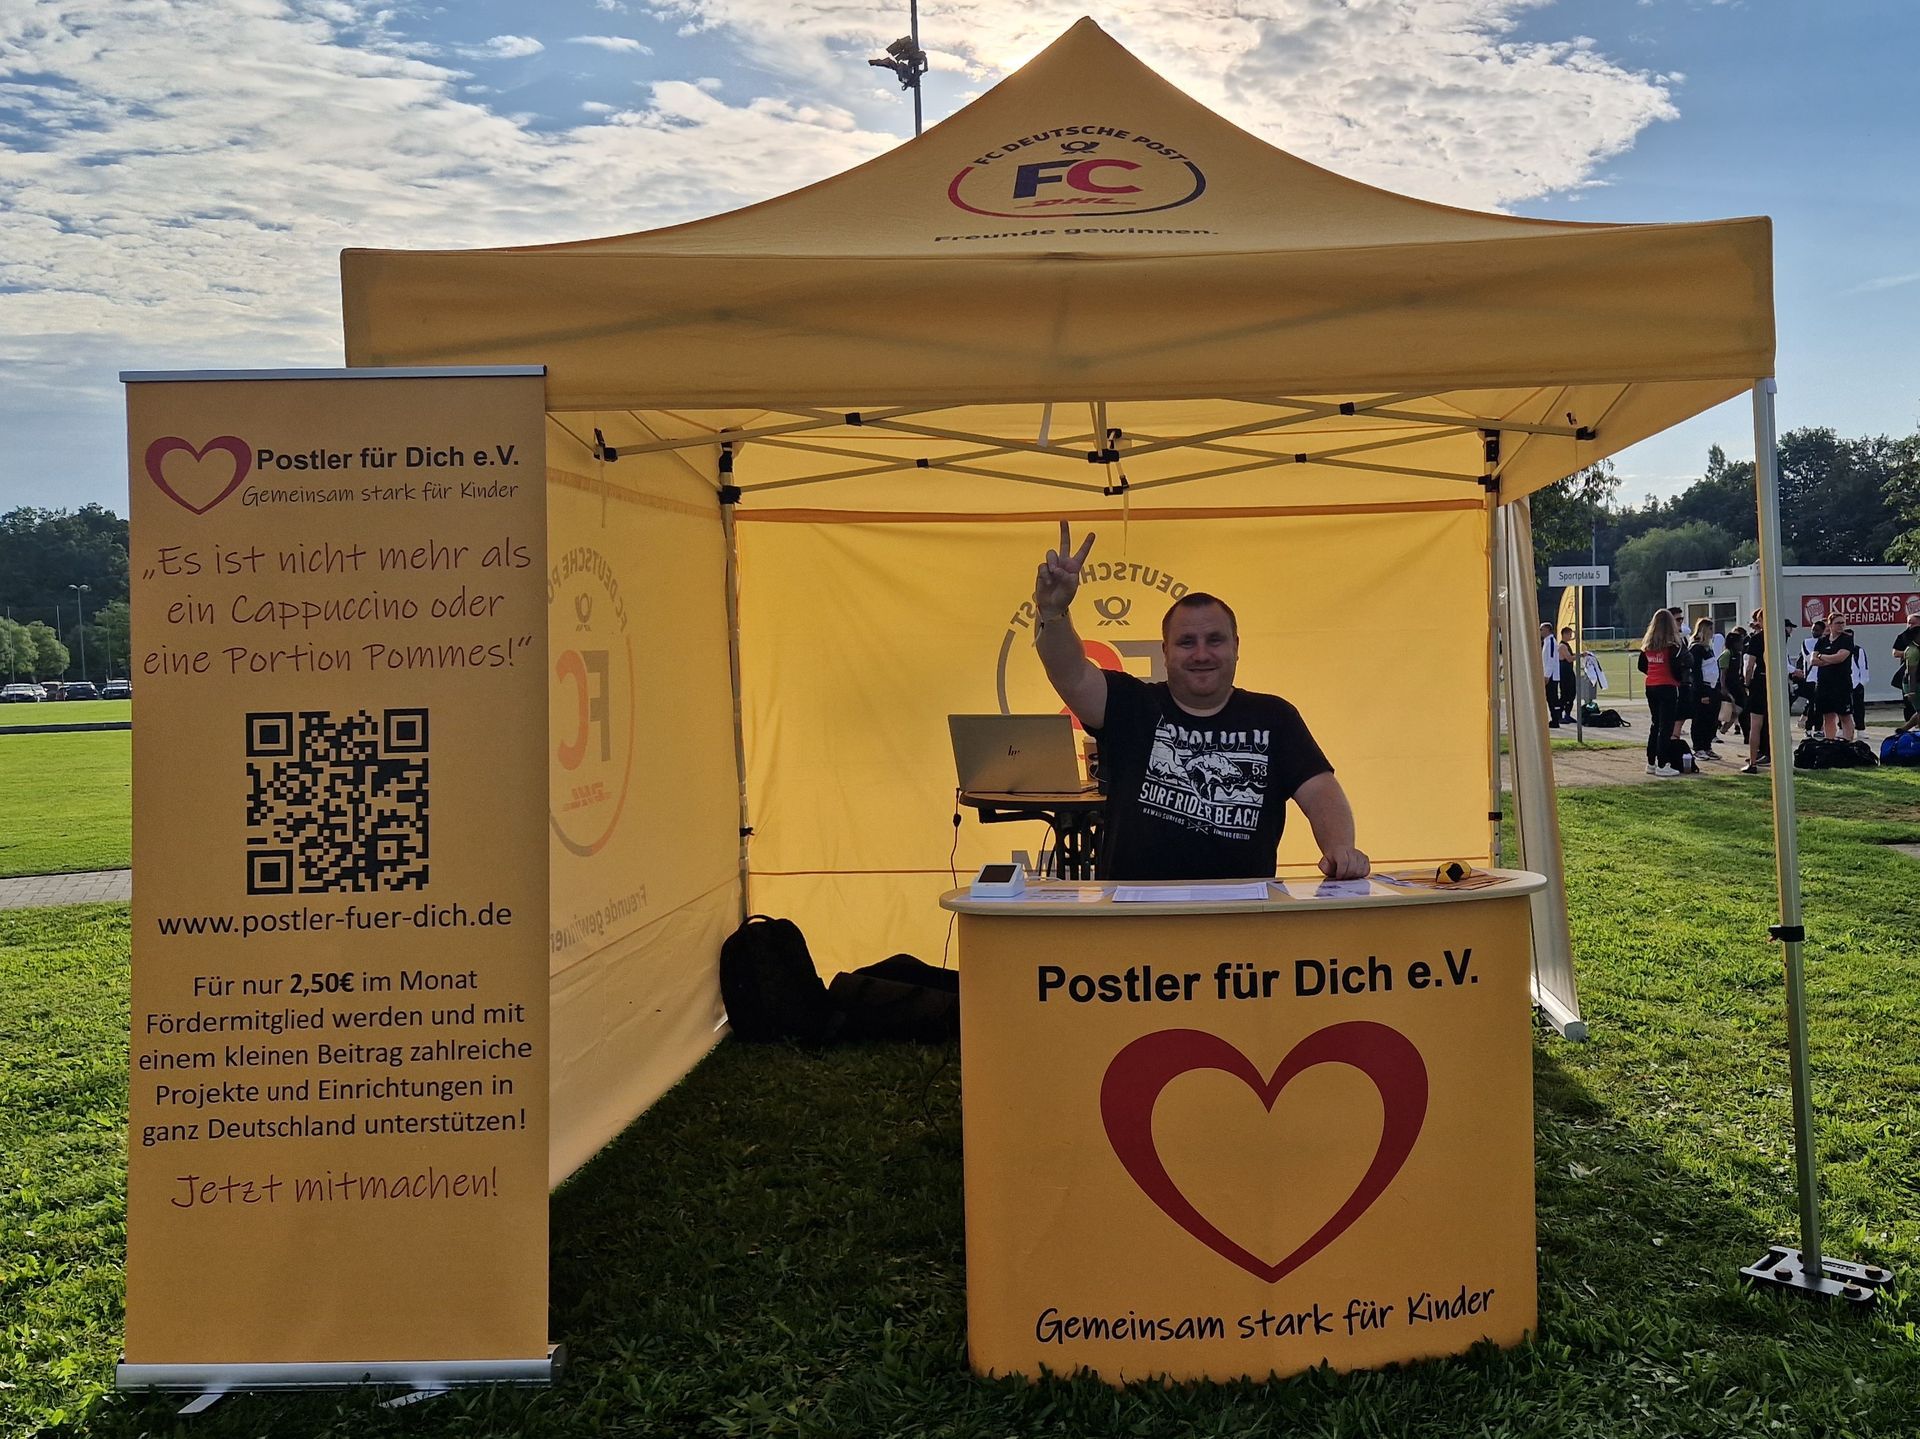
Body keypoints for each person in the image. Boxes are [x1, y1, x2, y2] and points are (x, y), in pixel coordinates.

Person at [1031, 522, 1367, 881]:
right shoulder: (1131, 705)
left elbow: (1320, 791)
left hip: (1241, 916)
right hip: (1134, 917)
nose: (1201, 653)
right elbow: (1069, 671)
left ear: (1236, 646)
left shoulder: (1274, 717)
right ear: (1165, 651)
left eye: (1215, 640)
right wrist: (1052, 612)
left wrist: (1339, 848)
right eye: (1186, 642)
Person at [1636, 609, 1685, 776]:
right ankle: (1663, 764)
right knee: (1666, 727)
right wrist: (1678, 680)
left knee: (1655, 724)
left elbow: (1642, 666)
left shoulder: (1647, 645)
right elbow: (1678, 667)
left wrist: (1653, 672)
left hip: (1651, 686)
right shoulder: (1673, 646)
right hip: (1667, 686)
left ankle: (1651, 762)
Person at [1810, 622, 1857, 743]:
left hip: (1841, 684)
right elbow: (1813, 660)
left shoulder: (1846, 640)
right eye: (1838, 623)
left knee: (1844, 715)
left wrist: (1822, 657)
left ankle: (1848, 744)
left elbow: (1840, 658)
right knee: (1828, 716)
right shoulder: (1822, 641)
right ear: (1830, 625)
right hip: (1824, 684)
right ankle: (1829, 743)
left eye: (1843, 623)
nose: (1841, 625)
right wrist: (1828, 658)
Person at [1688, 618, 1721, 760]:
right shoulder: (1696, 648)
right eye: (1710, 629)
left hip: (1713, 687)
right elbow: (1696, 672)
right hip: (1703, 689)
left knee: (1711, 719)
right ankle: (1698, 747)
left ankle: (1707, 746)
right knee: (1700, 719)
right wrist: (1701, 693)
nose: (1712, 633)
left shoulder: (1709, 648)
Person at [1539, 622, 1563, 726]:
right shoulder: (1546, 642)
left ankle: (1556, 719)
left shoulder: (1551, 642)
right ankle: (1554, 718)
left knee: (1552, 697)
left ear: (1548, 630)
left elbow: (1551, 659)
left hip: (1551, 675)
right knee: (1550, 698)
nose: (1540, 632)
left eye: (1542, 629)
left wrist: (1547, 675)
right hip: (1548, 674)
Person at [1557, 626, 1578, 726]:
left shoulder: (1566, 645)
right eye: (1569, 634)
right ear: (1564, 634)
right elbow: (1569, 658)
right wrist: (1580, 655)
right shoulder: (1562, 646)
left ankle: (1567, 714)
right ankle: (1560, 715)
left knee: (1571, 693)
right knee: (1565, 694)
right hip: (1565, 673)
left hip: (1569, 672)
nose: (1571, 636)